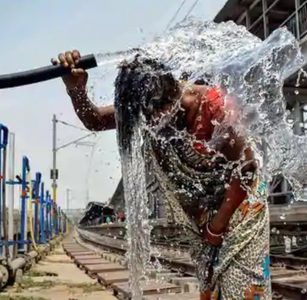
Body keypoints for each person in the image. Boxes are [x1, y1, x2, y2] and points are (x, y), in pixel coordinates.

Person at [52, 50, 270, 300]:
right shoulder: (146, 109)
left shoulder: (215, 106)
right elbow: (94, 121)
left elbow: (246, 169)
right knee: (211, 289)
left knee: (242, 289)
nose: (153, 122)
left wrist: (217, 227)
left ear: (173, 94)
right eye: (145, 117)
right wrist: (75, 89)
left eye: (157, 113)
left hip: (241, 205)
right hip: (204, 214)